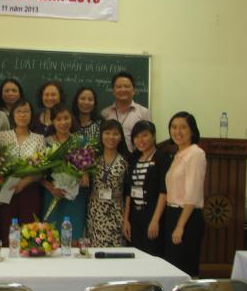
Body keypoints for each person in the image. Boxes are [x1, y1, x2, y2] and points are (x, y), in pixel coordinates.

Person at [0, 99, 46, 246]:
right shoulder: (1, 137)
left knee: (28, 231)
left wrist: (25, 182)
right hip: (7, 191)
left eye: (26, 111)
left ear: (31, 114)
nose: (22, 115)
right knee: (6, 231)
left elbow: (42, 170)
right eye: (19, 111)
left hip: (30, 190)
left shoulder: (39, 139)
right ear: (12, 114)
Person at [164, 112, 206, 276]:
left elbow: (192, 195)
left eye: (183, 127)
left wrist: (180, 226)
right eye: (174, 127)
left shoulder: (195, 153)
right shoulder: (179, 154)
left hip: (187, 217)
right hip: (172, 213)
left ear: (192, 131)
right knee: (172, 268)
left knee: (184, 269)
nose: (178, 131)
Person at [123, 120, 170, 256]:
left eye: (145, 135)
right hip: (134, 217)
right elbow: (128, 192)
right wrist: (126, 220)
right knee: (134, 256)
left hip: (152, 214)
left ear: (153, 136)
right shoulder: (133, 159)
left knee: (152, 255)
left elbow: (163, 191)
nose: (140, 140)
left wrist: (155, 220)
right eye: (136, 137)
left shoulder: (161, 158)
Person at [40, 103, 88, 239]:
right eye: (59, 119)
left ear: (71, 119)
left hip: (75, 196)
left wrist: (85, 175)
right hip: (53, 194)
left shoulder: (80, 141)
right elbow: (38, 172)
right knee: (51, 238)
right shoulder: (45, 142)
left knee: (73, 237)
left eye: (66, 118)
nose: (63, 122)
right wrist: (50, 187)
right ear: (52, 122)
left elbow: (86, 165)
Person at [87, 119, 130, 247]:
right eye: (107, 133)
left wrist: (126, 218)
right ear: (101, 135)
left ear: (121, 137)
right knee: (94, 251)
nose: (111, 137)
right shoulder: (93, 159)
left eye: (115, 134)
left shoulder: (126, 161)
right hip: (95, 211)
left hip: (116, 212)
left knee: (114, 251)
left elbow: (128, 192)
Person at [101, 71, 151, 152]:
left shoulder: (144, 112)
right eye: (119, 87)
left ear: (134, 90)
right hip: (112, 157)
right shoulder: (105, 113)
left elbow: (149, 140)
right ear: (113, 91)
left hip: (136, 157)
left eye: (127, 86)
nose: (123, 89)